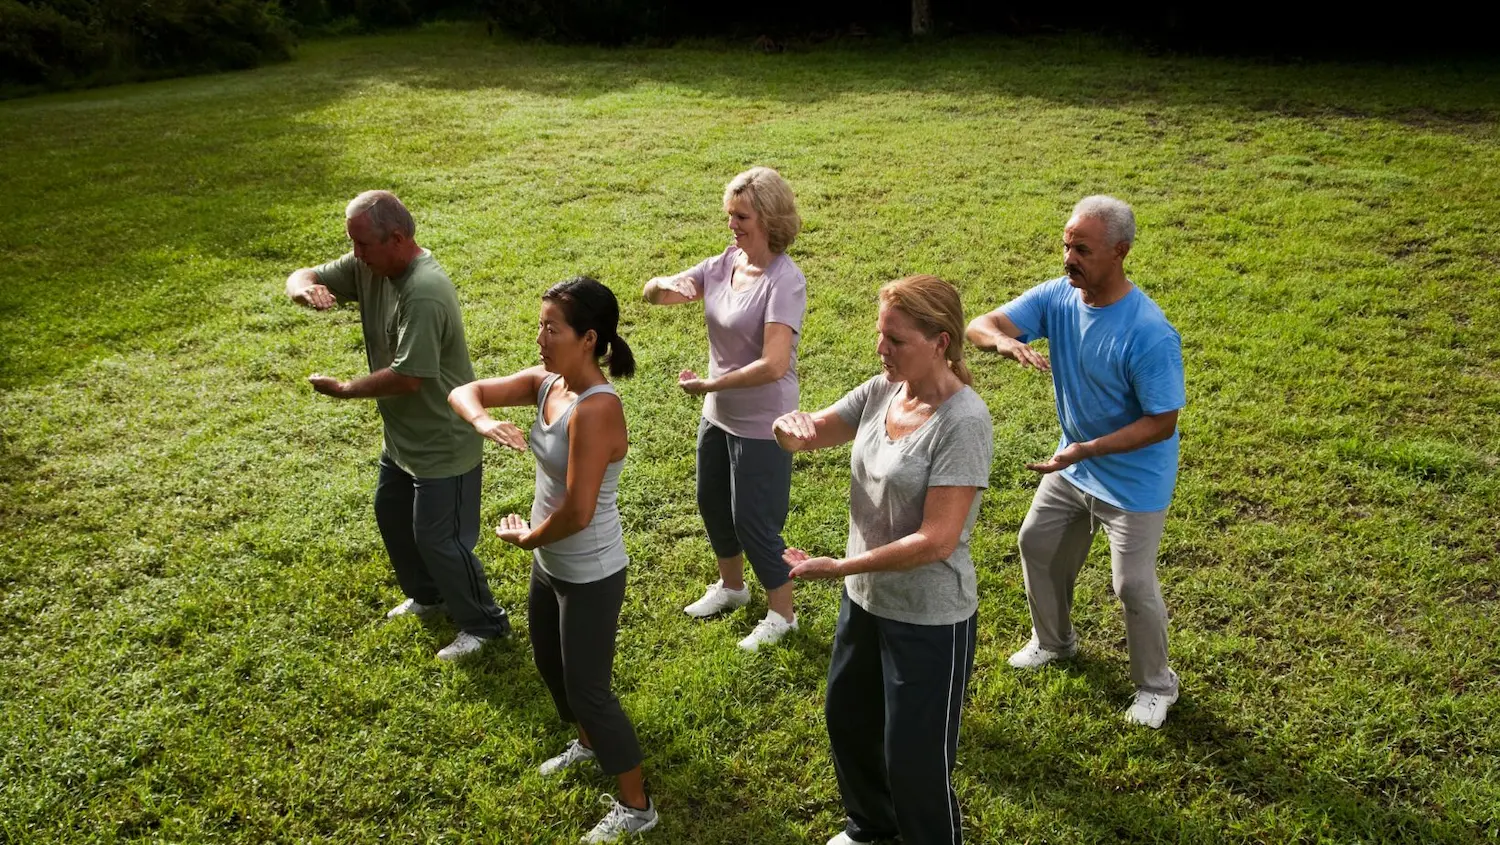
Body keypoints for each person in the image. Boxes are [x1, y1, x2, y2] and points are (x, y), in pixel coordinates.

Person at [773, 275, 992, 845]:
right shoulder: (882, 391)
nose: (881, 349)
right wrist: (787, 428)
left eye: (895, 340)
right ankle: (870, 828)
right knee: (849, 723)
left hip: (928, 618)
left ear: (940, 342)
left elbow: (938, 540)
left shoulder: (963, 422)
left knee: (916, 765)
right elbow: (812, 432)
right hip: (866, 604)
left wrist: (840, 568)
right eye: (880, 336)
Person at [449, 277, 657, 843]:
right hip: (550, 562)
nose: (540, 338)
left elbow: (578, 512)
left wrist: (530, 539)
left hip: (588, 569)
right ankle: (588, 744)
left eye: (552, 329)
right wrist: (483, 422)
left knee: (590, 689)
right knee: (552, 668)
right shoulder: (546, 385)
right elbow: (464, 392)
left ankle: (638, 806)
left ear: (588, 338)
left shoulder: (596, 410)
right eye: (539, 325)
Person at [966, 195, 1186, 729]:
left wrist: (1086, 449)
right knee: (1036, 544)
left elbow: (1162, 422)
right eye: (1066, 244)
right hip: (1074, 464)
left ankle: (1157, 686)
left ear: (1120, 252)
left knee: (1132, 586)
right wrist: (1002, 344)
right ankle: (1054, 641)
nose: (1069, 258)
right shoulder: (1058, 297)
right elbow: (980, 323)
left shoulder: (1148, 332)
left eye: (1082, 249)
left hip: (1132, 480)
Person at [284, 190, 509, 661]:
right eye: (353, 245)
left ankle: (485, 624)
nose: (355, 255)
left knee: (440, 538)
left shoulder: (424, 290)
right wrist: (303, 287)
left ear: (398, 238)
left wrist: (346, 389)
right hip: (403, 439)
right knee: (392, 515)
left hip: (443, 440)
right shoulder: (371, 263)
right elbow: (303, 274)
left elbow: (409, 378)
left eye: (362, 245)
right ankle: (429, 597)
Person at [642, 166, 807, 651]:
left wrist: (713, 383)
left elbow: (775, 364)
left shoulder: (785, 281)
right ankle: (733, 588)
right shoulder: (722, 264)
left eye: (742, 216)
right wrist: (663, 284)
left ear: (770, 219)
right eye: (729, 215)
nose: (732, 225)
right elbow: (655, 295)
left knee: (754, 519)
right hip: (718, 412)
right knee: (713, 503)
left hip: (763, 419)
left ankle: (783, 613)